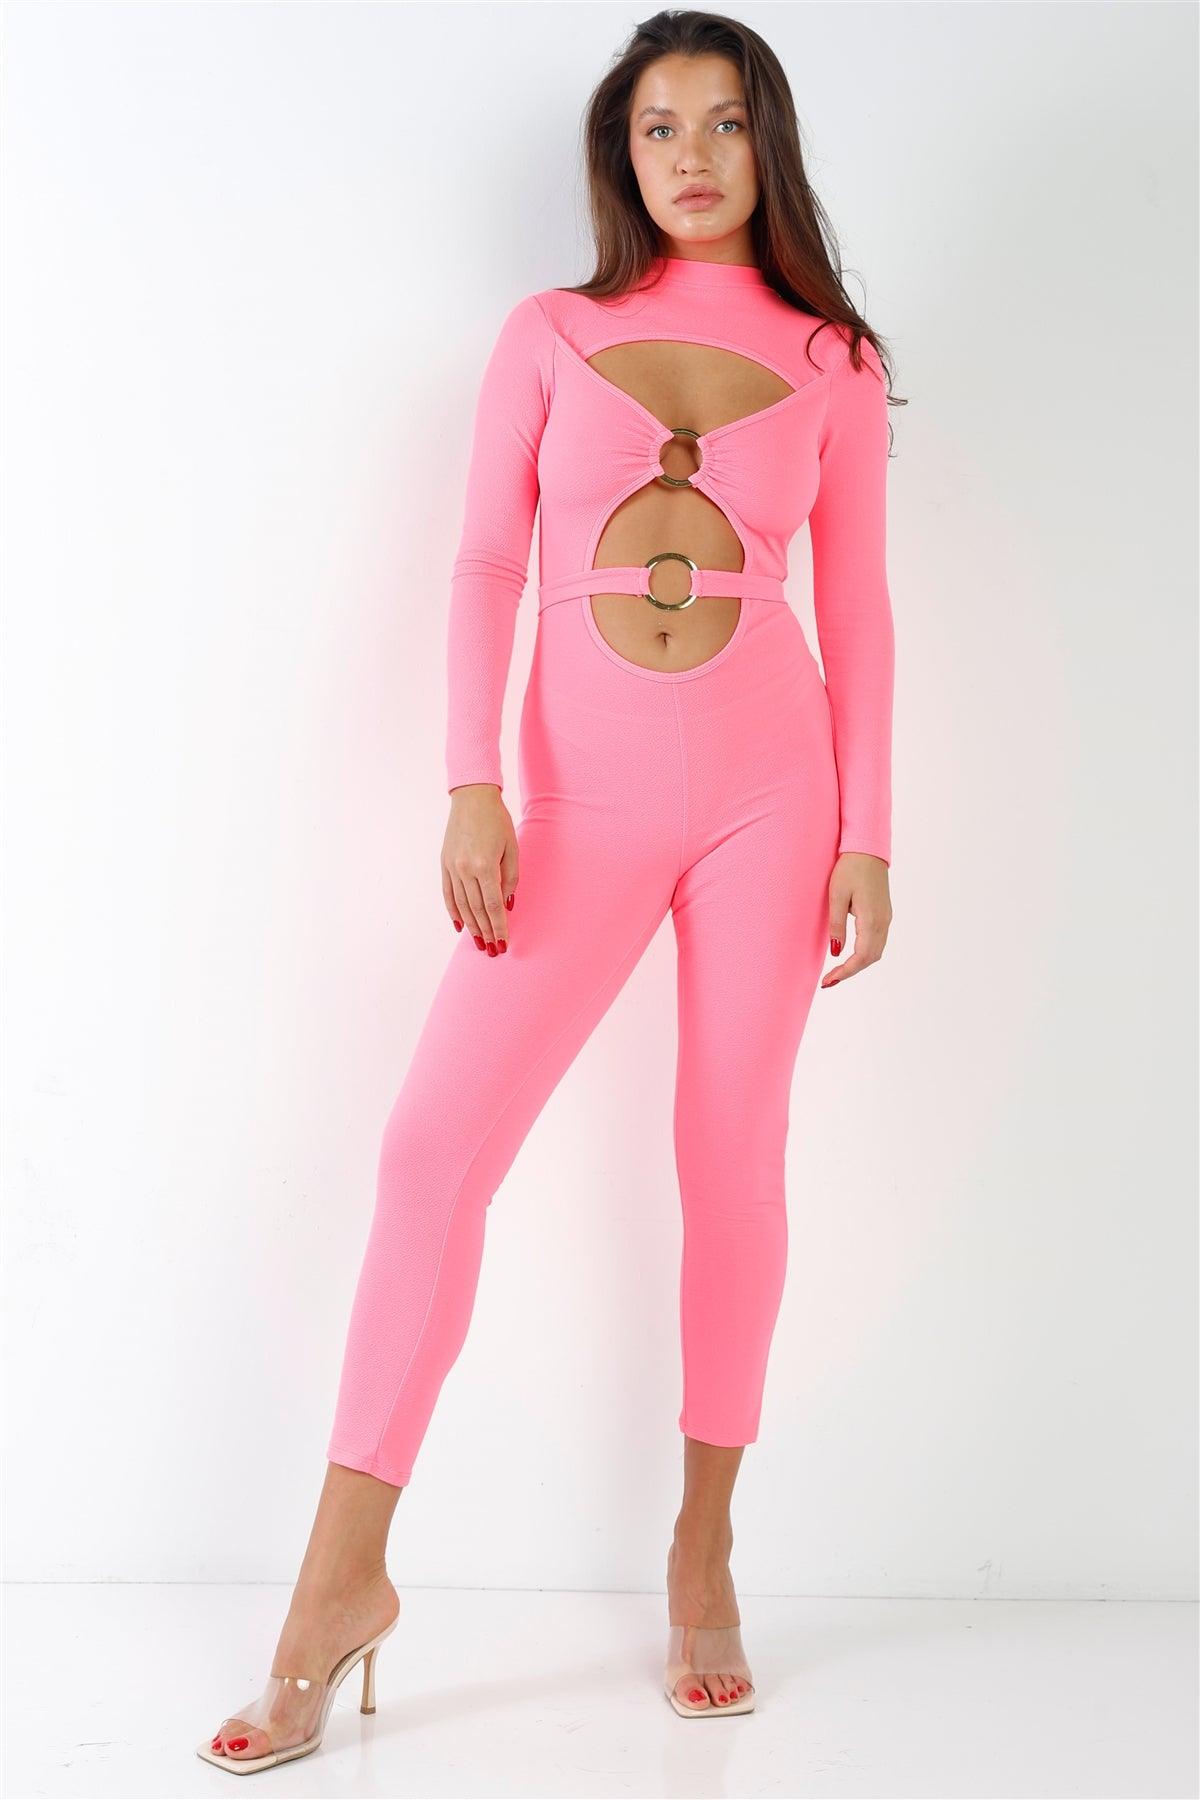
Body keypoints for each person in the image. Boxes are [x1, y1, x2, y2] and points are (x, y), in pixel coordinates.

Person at [198, 7, 898, 1772]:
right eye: (659, 125)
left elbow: (864, 610)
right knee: (430, 1151)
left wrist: (870, 836)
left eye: (723, 124)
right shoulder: (549, 333)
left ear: (765, 146)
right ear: (619, 151)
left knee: (729, 1162)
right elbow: (483, 563)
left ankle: (703, 1543)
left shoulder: (834, 361)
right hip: (573, 807)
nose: (691, 156)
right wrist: (470, 784)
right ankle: (337, 1582)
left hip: (772, 799)